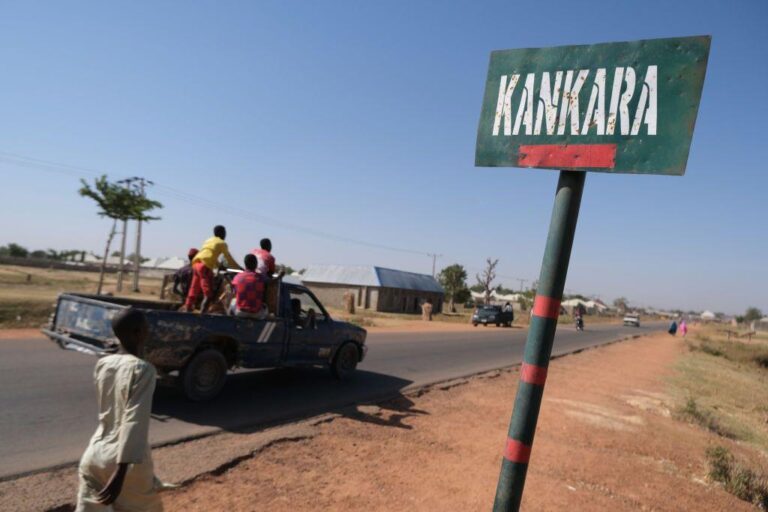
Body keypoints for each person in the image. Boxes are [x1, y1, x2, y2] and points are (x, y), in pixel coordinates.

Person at [76, 308, 164, 512]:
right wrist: (121, 471)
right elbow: (135, 419)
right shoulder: (143, 369)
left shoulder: (103, 364)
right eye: (146, 328)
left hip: (94, 454)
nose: (148, 332)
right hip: (126, 462)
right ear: (138, 333)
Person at [184, 225, 241, 313]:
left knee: (193, 290)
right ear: (221, 233)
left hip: (196, 264)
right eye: (225, 233)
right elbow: (229, 258)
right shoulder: (222, 243)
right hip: (204, 267)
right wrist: (239, 268)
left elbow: (209, 255)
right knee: (208, 295)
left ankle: (187, 310)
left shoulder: (208, 240)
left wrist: (218, 266)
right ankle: (203, 317)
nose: (225, 235)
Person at [231, 254, 269, 319]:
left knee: (233, 301)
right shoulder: (261, 278)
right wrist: (280, 276)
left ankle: (231, 320)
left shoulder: (237, 277)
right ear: (256, 264)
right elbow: (271, 281)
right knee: (265, 307)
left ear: (245, 265)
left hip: (240, 313)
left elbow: (234, 292)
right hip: (256, 314)